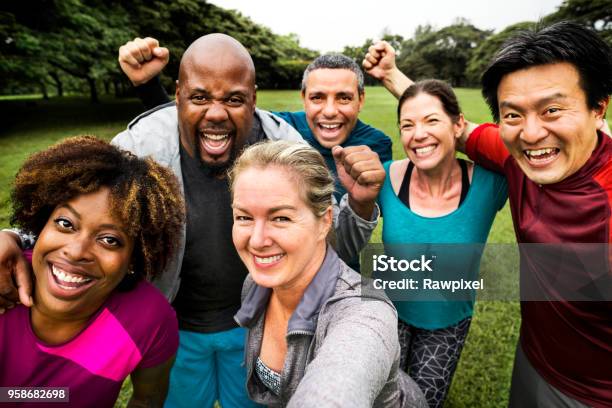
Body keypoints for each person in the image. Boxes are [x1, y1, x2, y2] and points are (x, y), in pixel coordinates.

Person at [0, 33, 384, 408]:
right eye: (200, 97)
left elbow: (334, 246)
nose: (216, 114)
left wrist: (362, 204)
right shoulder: (140, 147)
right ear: (178, 95)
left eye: (234, 99)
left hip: (256, 326)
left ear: (253, 99)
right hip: (173, 330)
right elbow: (79, 218)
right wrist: (14, 238)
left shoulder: (286, 151)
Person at [365, 21, 612, 407]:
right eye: (512, 114)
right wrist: (391, 75)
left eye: (552, 109)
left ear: (598, 108)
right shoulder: (514, 154)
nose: (531, 133)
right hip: (533, 359)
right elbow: (451, 130)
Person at [229, 140, 427, 407]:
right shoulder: (255, 284)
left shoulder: (365, 311)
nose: (257, 240)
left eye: (281, 218)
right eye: (244, 217)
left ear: (324, 222)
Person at [364, 46, 507, 406]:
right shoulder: (384, 177)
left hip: (447, 323)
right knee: (378, 397)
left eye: (432, 121)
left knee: (422, 402)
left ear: (459, 125)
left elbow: (530, 148)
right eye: (407, 125)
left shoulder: (490, 183)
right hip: (388, 313)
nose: (418, 134)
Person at [0, 136, 185, 407]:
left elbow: (148, 400)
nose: (76, 251)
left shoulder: (148, 320)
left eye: (109, 240)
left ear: (134, 258)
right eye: (65, 223)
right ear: (41, 224)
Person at [118, 38, 392, 202]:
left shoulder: (374, 145)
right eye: (318, 97)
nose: (330, 111)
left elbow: (429, 131)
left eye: (343, 98)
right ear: (303, 97)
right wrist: (148, 88)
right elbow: (210, 121)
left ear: (361, 99)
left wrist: (391, 76)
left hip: (343, 270)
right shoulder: (283, 131)